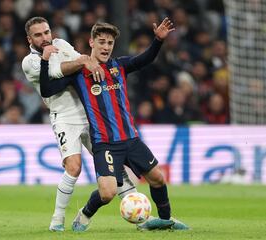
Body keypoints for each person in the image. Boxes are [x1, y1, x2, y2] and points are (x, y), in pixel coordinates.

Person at [39, 19, 189, 231]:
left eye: (110, 43)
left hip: (130, 139)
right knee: (107, 193)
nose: (106, 47)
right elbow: (46, 89)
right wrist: (45, 62)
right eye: (102, 42)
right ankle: (84, 214)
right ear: (91, 42)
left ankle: (166, 220)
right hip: (105, 143)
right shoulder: (79, 72)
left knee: (157, 178)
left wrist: (157, 41)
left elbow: (144, 59)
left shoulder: (120, 65)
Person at [21, 17, 144, 232]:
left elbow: (86, 62)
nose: (44, 38)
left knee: (114, 165)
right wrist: (81, 62)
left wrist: (89, 61)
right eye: (38, 35)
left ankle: (141, 217)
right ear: (29, 38)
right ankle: (57, 220)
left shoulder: (61, 45)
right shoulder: (29, 62)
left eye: (46, 32)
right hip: (64, 117)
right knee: (74, 167)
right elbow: (55, 75)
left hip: (90, 113)